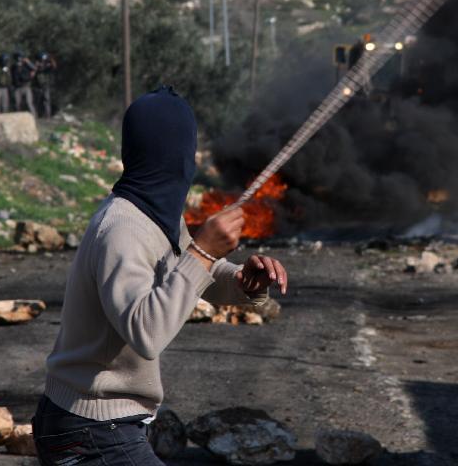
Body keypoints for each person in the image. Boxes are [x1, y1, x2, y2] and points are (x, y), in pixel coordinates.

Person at [32, 87, 288, 465]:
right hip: (92, 427)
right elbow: (146, 332)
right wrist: (203, 249)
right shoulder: (122, 228)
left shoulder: (151, 213)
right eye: (189, 150)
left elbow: (189, 269)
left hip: (102, 424)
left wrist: (243, 279)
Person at [12, 51, 38, 115]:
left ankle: (34, 116)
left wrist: (28, 61)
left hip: (26, 86)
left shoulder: (26, 65)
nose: (19, 59)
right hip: (17, 87)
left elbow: (34, 68)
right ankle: (18, 117)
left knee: (29, 103)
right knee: (17, 104)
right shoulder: (13, 67)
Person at [34, 52, 57, 118]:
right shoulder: (36, 64)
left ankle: (48, 115)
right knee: (37, 101)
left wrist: (50, 58)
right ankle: (36, 115)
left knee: (47, 100)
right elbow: (34, 71)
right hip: (37, 85)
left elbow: (54, 66)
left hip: (45, 85)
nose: (43, 60)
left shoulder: (46, 64)